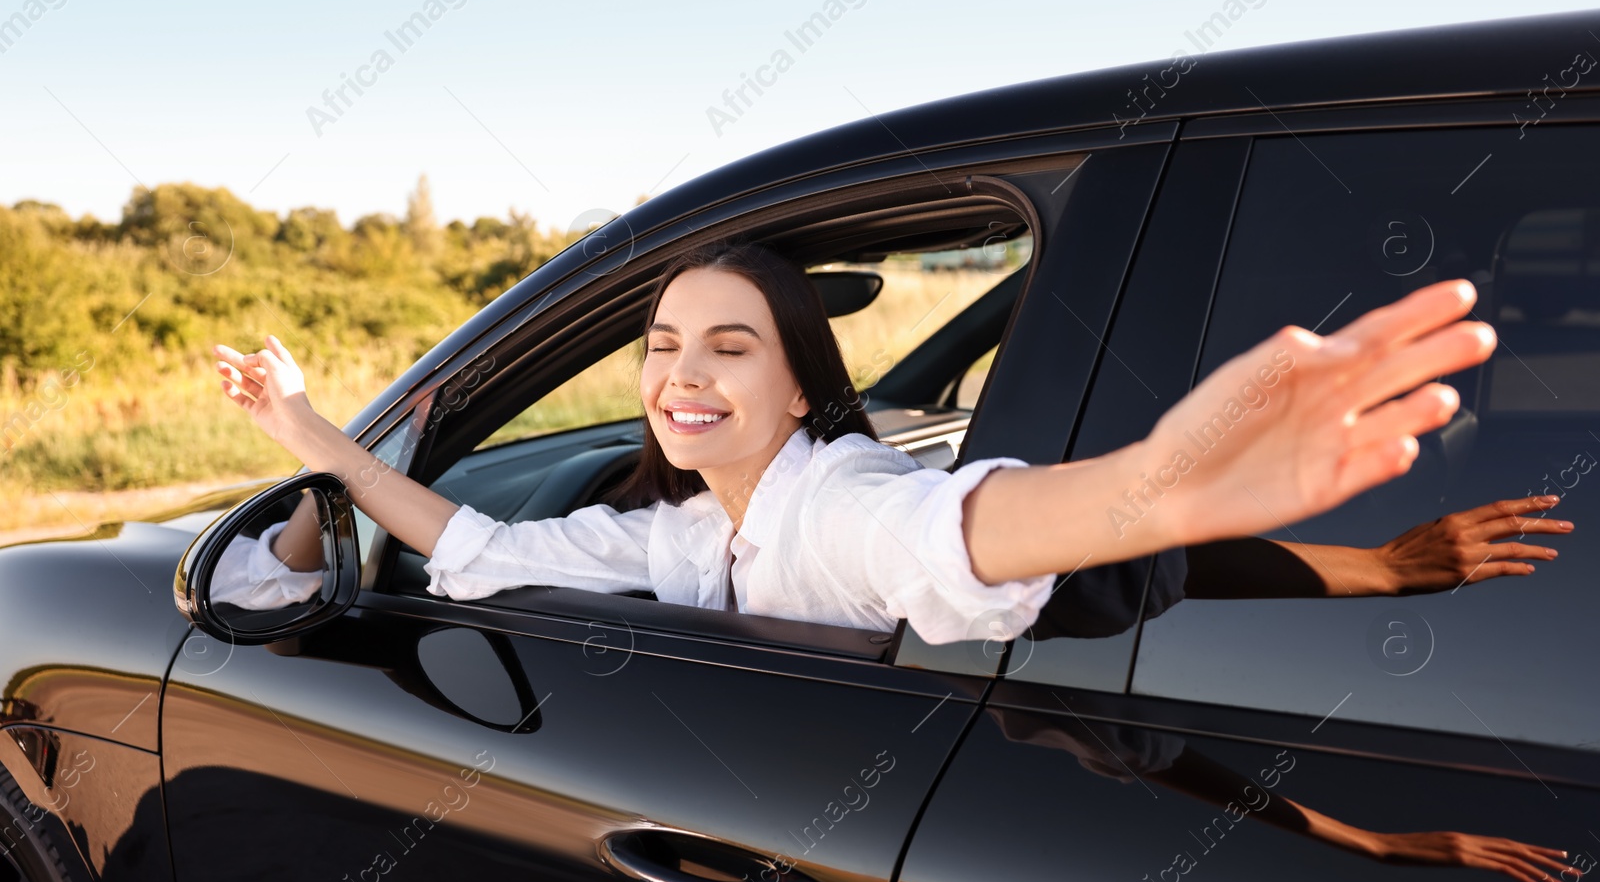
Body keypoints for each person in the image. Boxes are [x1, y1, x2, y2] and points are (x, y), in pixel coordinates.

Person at [209, 241, 1509, 644]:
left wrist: (1151, 489)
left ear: (798, 389)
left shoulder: (834, 495)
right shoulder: (668, 531)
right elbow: (476, 543)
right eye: (663, 346)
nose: (681, 374)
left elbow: (933, 532)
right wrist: (312, 431)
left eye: (730, 346)